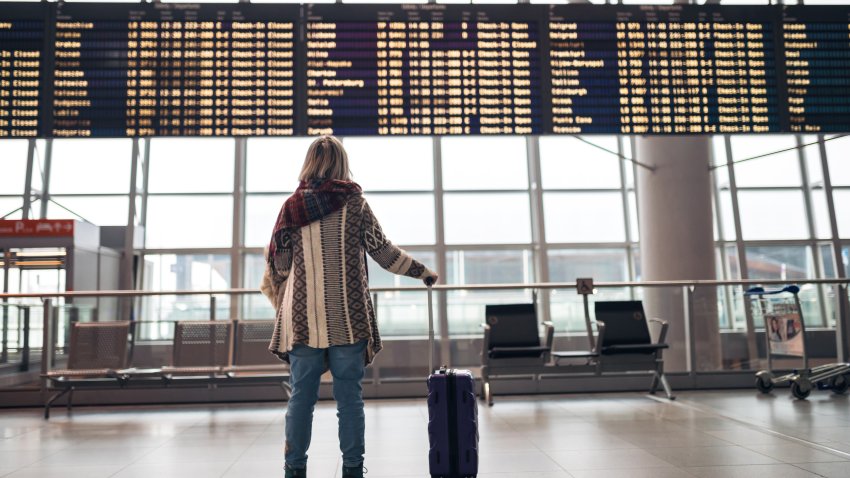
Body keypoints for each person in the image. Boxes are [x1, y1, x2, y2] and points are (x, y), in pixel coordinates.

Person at [261, 135, 438, 478]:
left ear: (309, 163)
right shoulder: (354, 204)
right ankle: (353, 469)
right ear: (342, 164)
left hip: (302, 319)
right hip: (348, 317)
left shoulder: (292, 208)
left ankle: (294, 469)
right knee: (350, 400)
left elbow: (280, 267)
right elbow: (385, 253)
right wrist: (423, 272)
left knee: (301, 399)